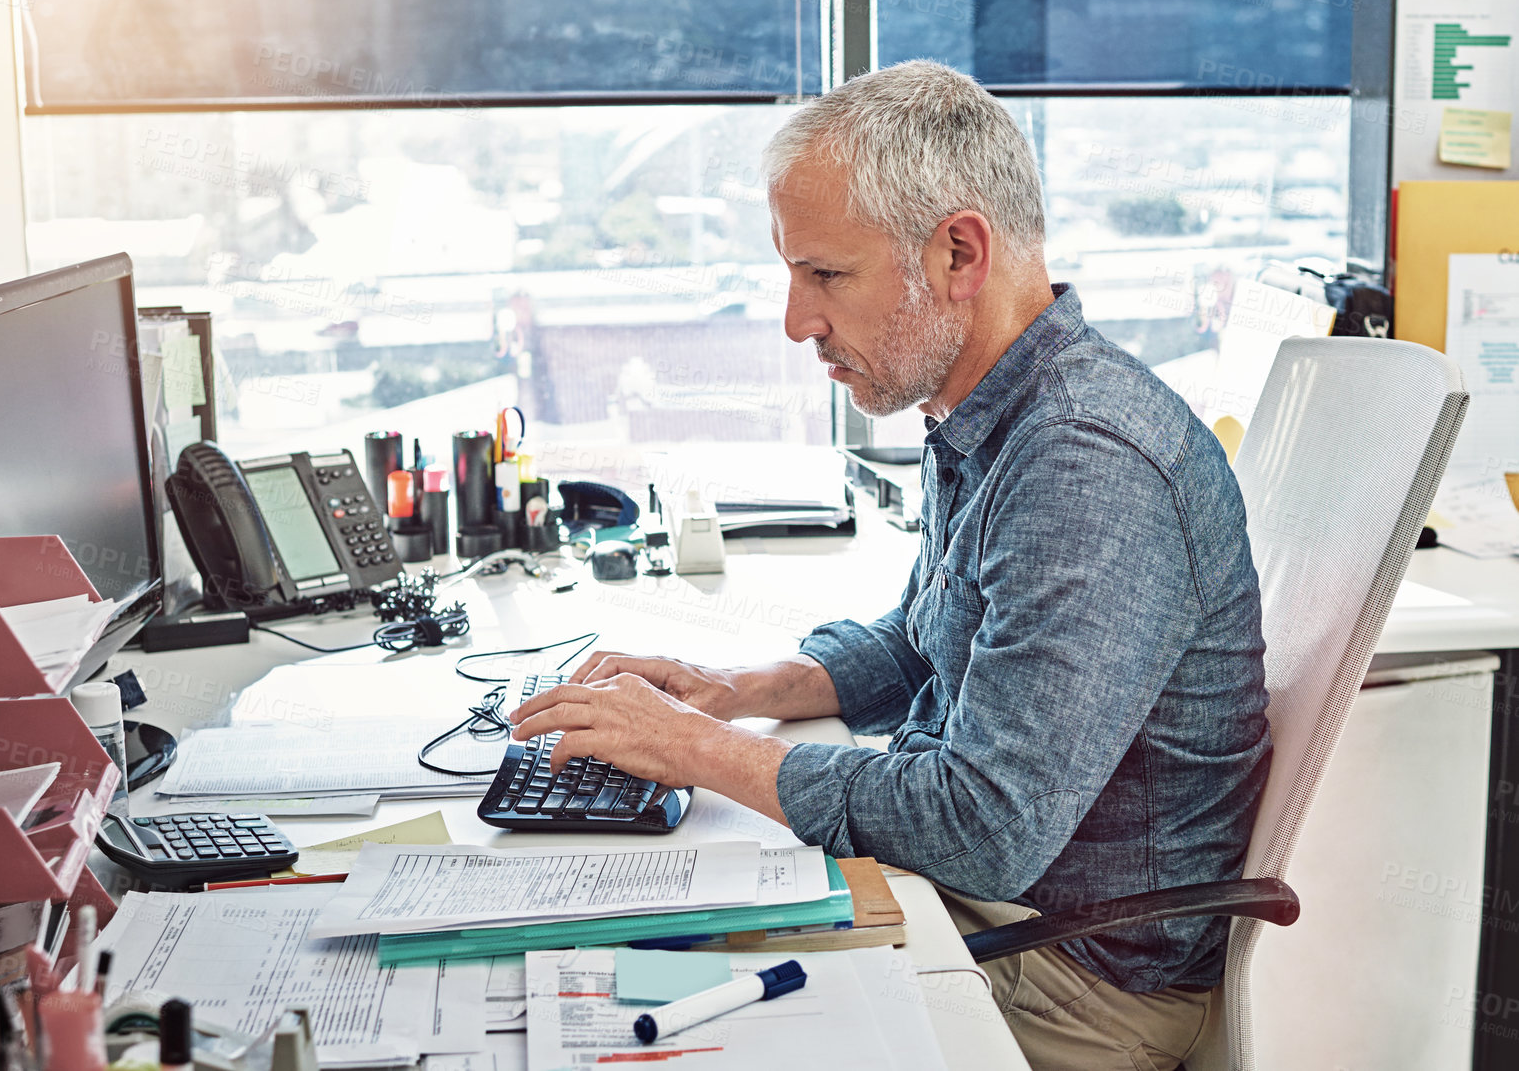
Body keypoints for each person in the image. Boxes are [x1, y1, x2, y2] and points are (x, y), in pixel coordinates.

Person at [509, 60, 1271, 1071]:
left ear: (959, 252)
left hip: (1072, 974)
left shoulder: (1087, 469)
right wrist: (736, 692)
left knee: (618, 1013)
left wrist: (693, 749)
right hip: (1000, 909)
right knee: (608, 957)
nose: (796, 322)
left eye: (825, 275)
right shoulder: (984, 409)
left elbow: (986, 828)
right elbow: (925, 640)